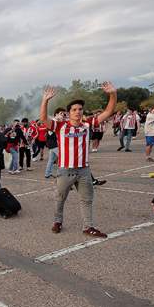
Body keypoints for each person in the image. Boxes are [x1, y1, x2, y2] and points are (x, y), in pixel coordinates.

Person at [40, 82, 117, 238]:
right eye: (74, 110)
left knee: (87, 199)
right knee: (60, 199)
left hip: (83, 170)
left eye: (80, 109)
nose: (77, 112)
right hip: (64, 170)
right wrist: (45, 100)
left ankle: (88, 227)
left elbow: (108, 111)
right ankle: (57, 221)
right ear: (69, 113)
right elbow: (43, 119)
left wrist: (112, 94)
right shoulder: (60, 126)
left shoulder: (88, 124)